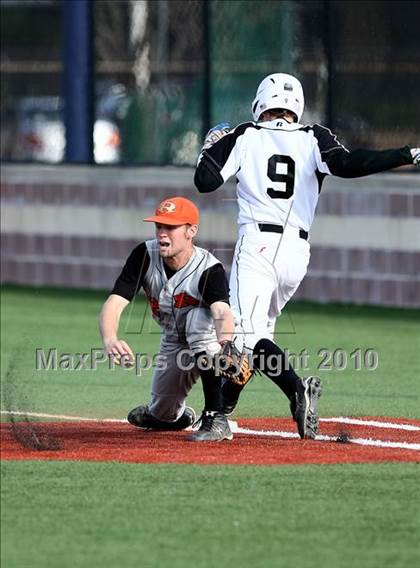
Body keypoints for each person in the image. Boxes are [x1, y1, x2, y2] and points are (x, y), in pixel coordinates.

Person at [194, 72, 419, 439]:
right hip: (297, 253)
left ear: (260, 103)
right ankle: (227, 407)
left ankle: (277, 397)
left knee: (239, 336)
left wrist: (210, 147)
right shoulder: (314, 136)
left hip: (258, 244)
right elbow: (349, 165)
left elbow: (204, 181)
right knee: (257, 339)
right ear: (295, 106)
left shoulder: (246, 134)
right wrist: (405, 154)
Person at [99, 196, 236, 442]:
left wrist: (226, 345)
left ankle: (216, 417)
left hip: (216, 340)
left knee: (197, 319)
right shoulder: (144, 254)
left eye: (171, 227)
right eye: (159, 226)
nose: (162, 233)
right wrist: (110, 339)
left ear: (191, 231)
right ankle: (180, 416)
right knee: (163, 415)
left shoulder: (208, 269)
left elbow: (222, 313)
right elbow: (114, 302)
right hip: (174, 339)